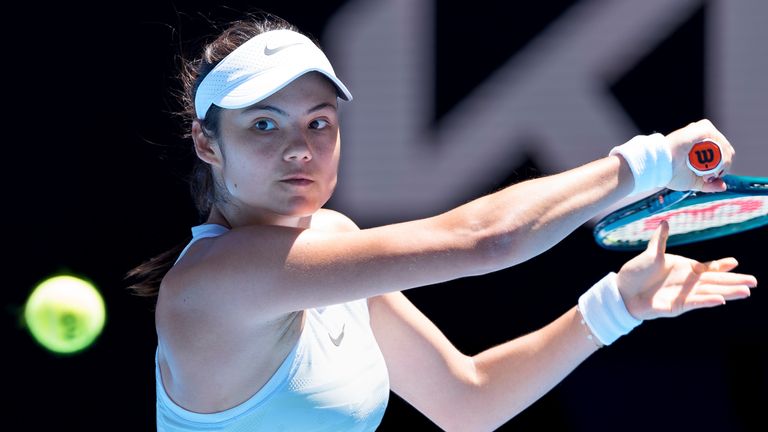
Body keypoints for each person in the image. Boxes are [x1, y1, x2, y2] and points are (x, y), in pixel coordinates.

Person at [127, 13, 757, 432]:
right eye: (263, 124)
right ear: (207, 144)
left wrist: (617, 305)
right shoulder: (214, 283)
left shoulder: (335, 242)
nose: (300, 149)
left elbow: (468, 400)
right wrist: (649, 162)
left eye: (318, 122)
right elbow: (487, 240)